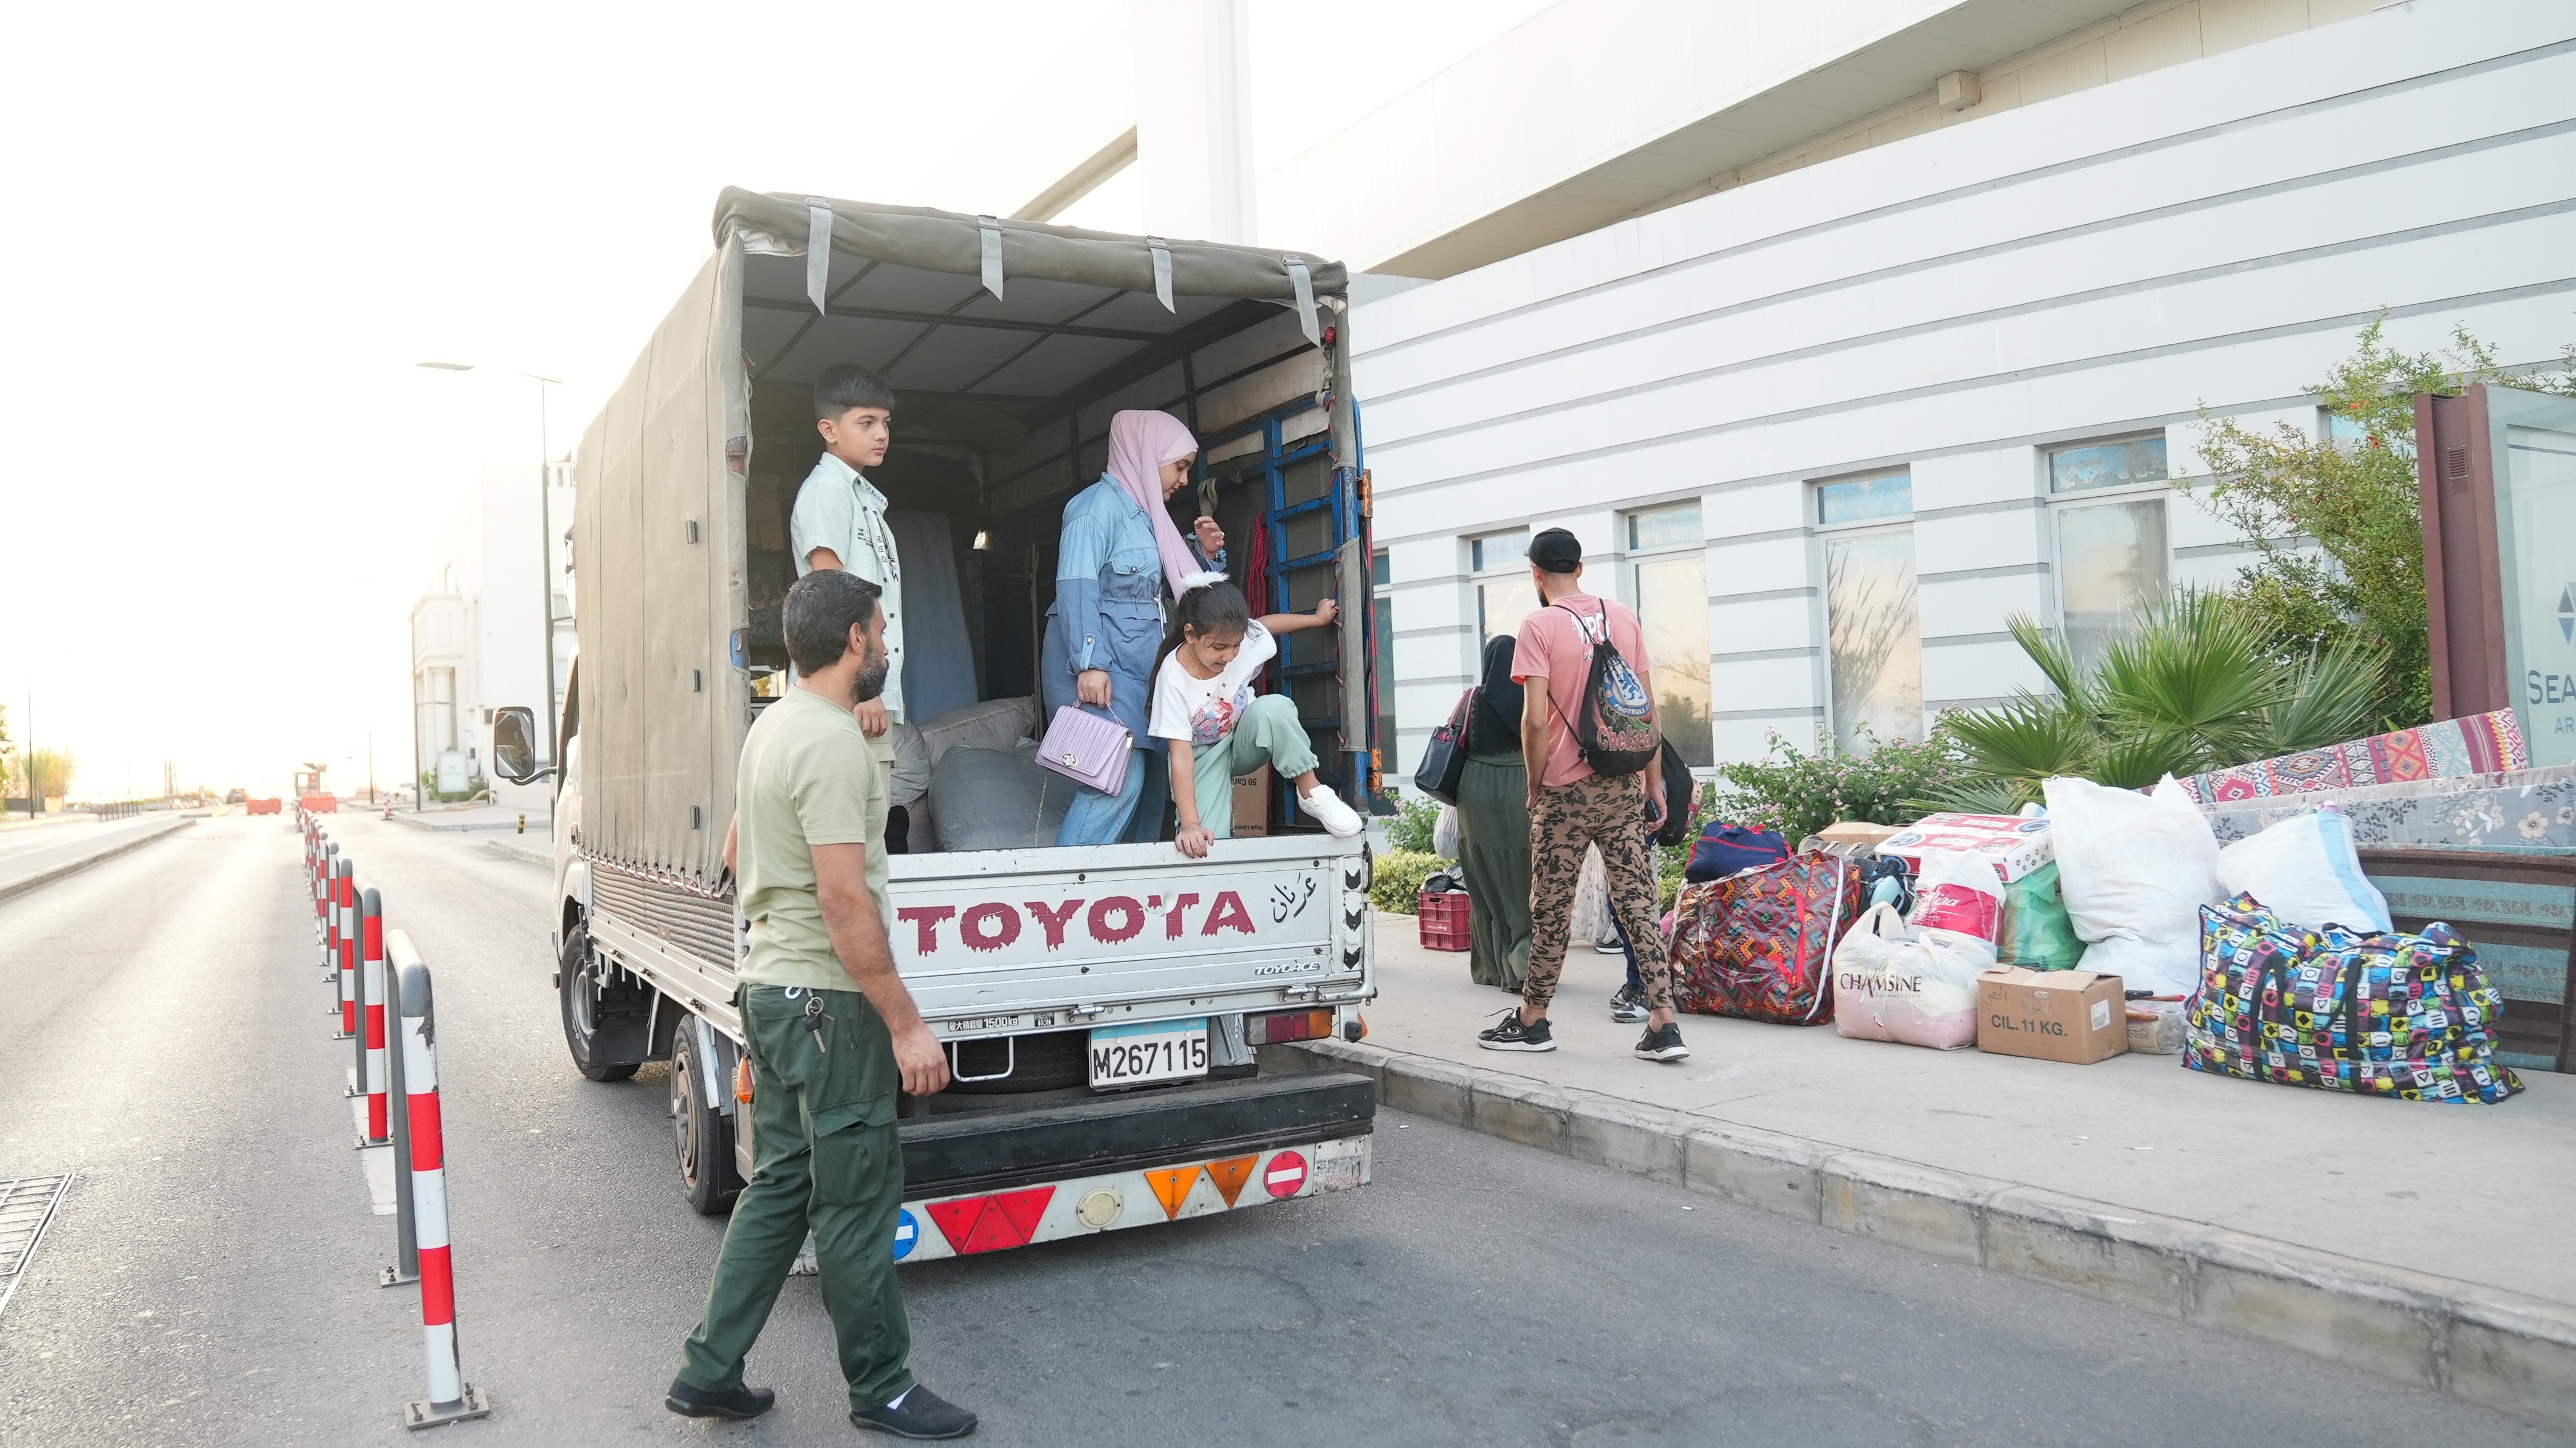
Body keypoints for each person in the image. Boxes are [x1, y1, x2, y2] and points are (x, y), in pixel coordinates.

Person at [667, 570, 977, 1441]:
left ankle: (708, 1370)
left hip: (771, 988)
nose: (884, 646)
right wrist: (906, 1023)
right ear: (854, 640)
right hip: (829, 1006)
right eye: (879, 631)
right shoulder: (835, 743)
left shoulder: (773, 727)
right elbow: (845, 901)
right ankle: (882, 1389)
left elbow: (736, 846)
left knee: (781, 1189)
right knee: (855, 1203)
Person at [1478, 527, 1688, 1062]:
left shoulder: (1538, 625)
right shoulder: (1623, 616)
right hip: (1621, 786)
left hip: (1564, 793)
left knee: (1551, 908)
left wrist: (1533, 782)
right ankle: (1664, 1024)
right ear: (1581, 565)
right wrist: (1654, 782)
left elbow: (1533, 723)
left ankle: (1533, 1021)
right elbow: (1646, 709)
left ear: (1535, 572)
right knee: (1638, 901)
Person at [1043, 409, 1228, 846]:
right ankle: (1062, 892)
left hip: (1141, 671)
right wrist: (1089, 663)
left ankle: (1126, 898)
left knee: (1149, 790)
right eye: (1179, 466)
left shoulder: (1148, 516)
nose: (1184, 480)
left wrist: (1203, 553)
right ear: (1146, 454)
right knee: (1115, 779)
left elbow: (1172, 583)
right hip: (1101, 669)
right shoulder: (1093, 510)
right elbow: (1076, 589)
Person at [1149, 582, 1364, 855]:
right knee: (1206, 844)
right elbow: (1180, 757)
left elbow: (1265, 626)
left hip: (1243, 740)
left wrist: (1316, 619)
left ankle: (1312, 793)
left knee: (1276, 707)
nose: (1228, 656)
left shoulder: (1239, 641)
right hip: (1200, 757)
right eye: (1218, 647)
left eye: (1236, 645)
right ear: (1190, 634)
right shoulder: (1173, 677)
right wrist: (1191, 824)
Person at [790, 364, 908, 744]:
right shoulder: (828, 489)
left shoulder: (861, 496)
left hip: (858, 691)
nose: (881, 434)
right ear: (829, 430)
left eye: (886, 423)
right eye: (866, 423)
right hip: (846, 697)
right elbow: (830, 597)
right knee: (851, 802)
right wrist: (864, 690)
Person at [1457, 636, 1532, 991]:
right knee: (1523, 878)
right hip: (1521, 784)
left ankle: (1490, 968)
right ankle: (1523, 965)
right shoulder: (1534, 698)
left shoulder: (1473, 699)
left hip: (1475, 789)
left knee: (1482, 879)